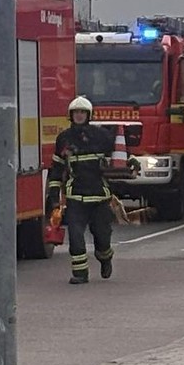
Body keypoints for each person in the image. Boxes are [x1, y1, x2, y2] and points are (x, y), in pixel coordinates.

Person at [47, 96, 119, 284]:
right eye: (76, 112)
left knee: (103, 237)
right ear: (71, 115)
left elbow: (119, 156)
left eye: (82, 112)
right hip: (76, 197)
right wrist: (53, 196)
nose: (79, 115)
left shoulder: (102, 136)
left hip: (99, 196)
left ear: (88, 115)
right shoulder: (64, 139)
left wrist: (131, 162)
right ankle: (80, 274)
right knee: (76, 237)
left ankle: (105, 259)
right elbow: (57, 169)